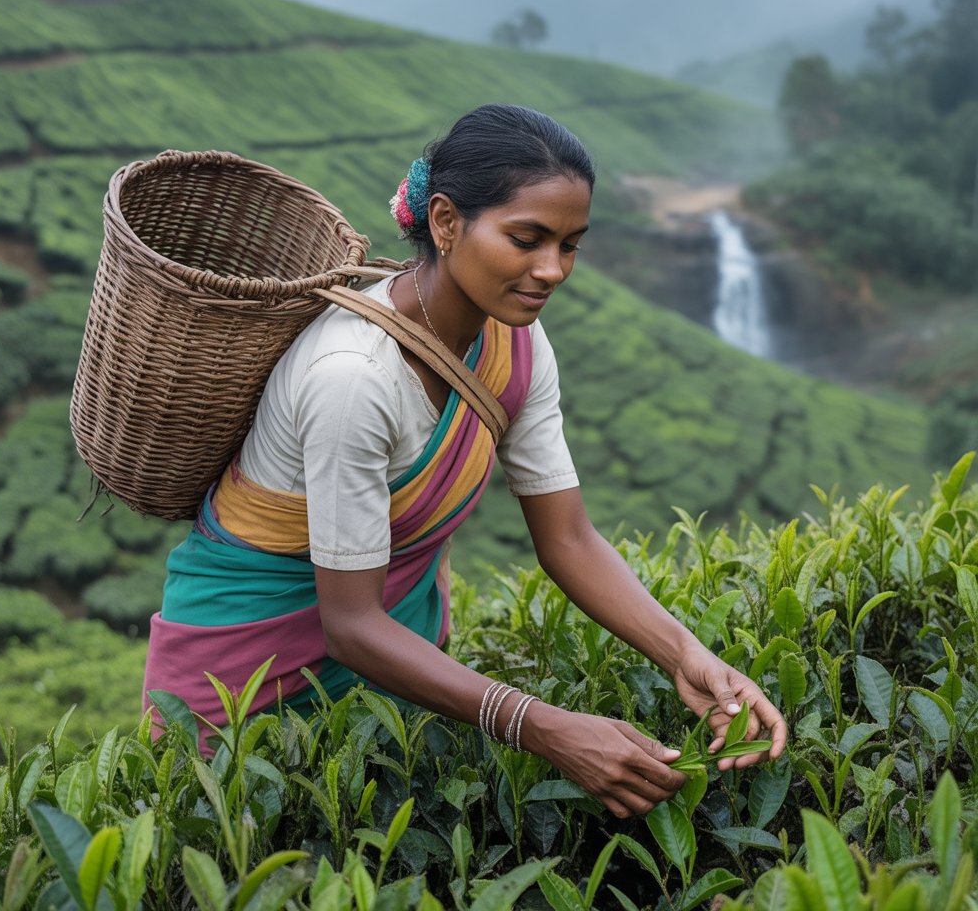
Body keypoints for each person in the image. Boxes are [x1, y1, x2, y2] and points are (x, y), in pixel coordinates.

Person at [144, 103, 787, 818]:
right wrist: (543, 726)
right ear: (446, 222)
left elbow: (568, 538)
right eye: (527, 239)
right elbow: (350, 624)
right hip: (244, 686)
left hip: (398, 666)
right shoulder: (355, 376)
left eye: (570, 245)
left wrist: (689, 658)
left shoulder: (513, 341)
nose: (553, 270)